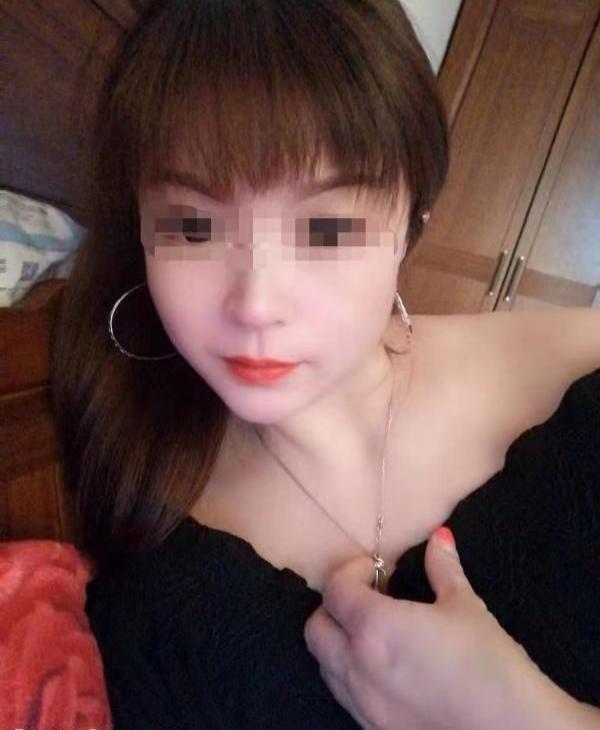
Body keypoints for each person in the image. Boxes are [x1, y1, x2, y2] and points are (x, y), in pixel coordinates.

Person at [50, 0, 600, 728]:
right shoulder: (152, 575)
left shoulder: (583, 383)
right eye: (192, 226)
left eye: (327, 228)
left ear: (411, 225)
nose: (256, 303)